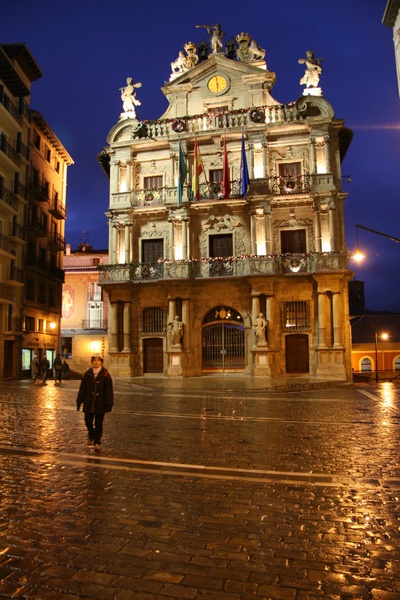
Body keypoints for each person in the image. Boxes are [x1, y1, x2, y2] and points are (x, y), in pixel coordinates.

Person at [76, 355, 114, 451]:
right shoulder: (87, 374)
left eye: (98, 360)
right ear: (92, 361)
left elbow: (109, 390)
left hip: (100, 403)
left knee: (98, 423)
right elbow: (82, 389)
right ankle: (91, 434)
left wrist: (109, 402)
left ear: (101, 362)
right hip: (89, 402)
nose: (96, 362)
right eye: (94, 360)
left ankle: (97, 441)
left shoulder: (105, 374)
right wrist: (79, 401)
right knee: (88, 421)